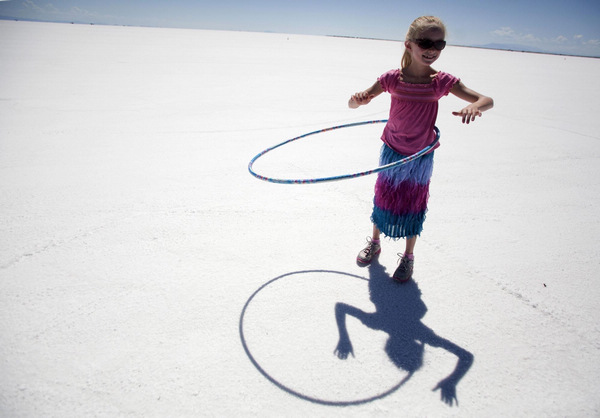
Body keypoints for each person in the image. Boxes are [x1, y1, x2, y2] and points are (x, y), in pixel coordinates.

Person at [349, 16, 493, 282]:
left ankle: (408, 257)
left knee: (414, 204)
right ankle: (376, 242)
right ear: (409, 44)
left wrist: (475, 106)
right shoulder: (392, 79)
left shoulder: (440, 81)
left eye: (440, 44)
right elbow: (353, 104)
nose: (432, 49)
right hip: (392, 150)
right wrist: (358, 99)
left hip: (420, 155)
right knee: (384, 198)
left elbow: (487, 100)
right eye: (425, 42)